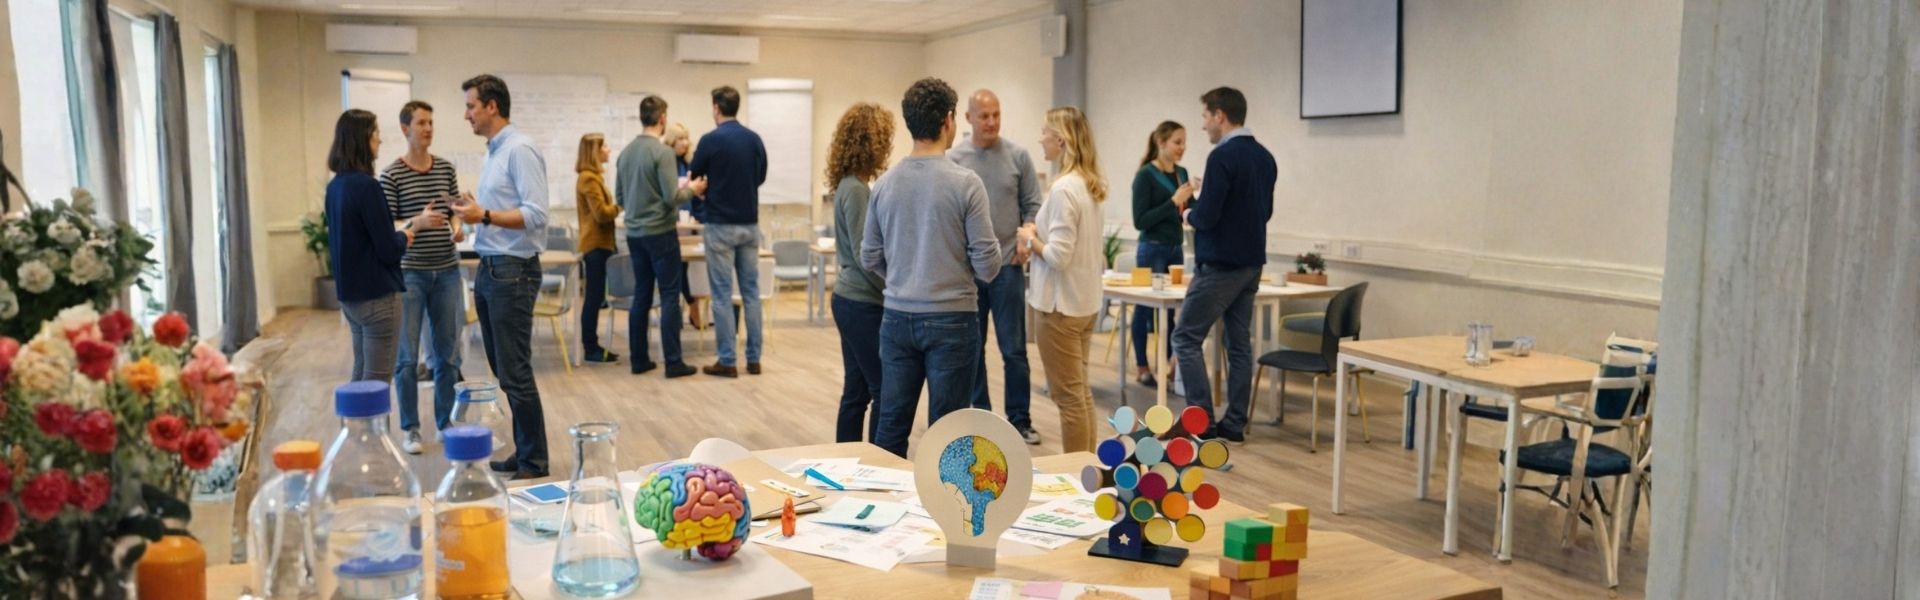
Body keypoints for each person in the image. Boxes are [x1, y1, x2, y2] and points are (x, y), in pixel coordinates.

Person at [862, 78, 1001, 458]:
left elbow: (869, 255)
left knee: (891, 425)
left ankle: (881, 508)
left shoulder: (885, 184)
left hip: (896, 317)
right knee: (948, 431)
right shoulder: (966, 184)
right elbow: (988, 265)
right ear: (949, 120)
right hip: (953, 319)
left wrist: (905, 278)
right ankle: (942, 514)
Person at [449, 74, 552, 479]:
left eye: (471, 106)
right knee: (503, 370)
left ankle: (534, 461)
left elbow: (536, 215)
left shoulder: (519, 149)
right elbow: (498, 215)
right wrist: (475, 215)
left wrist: (485, 215)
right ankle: (526, 450)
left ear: (492, 106)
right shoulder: (493, 152)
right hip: (491, 268)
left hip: (514, 272)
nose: (466, 114)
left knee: (515, 370)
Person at [1172, 87, 1276, 444]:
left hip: (1220, 264)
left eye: (1205, 117)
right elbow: (1266, 212)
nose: (1203, 126)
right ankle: (1234, 424)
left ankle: (1200, 425)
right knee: (1239, 344)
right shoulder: (1265, 157)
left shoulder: (1221, 157)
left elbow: (1208, 216)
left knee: (1185, 338)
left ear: (1219, 115)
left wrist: (1186, 210)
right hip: (1251, 263)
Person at [947, 89, 1042, 445]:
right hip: (969, 272)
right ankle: (982, 419)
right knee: (973, 348)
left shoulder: (1018, 156)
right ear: (968, 118)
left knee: (1014, 349)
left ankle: (1020, 419)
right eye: (984, 116)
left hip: (1008, 268)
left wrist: (1026, 234)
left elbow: (1033, 204)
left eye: (996, 115)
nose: (991, 122)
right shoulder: (954, 159)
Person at [327, 109, 445, 388]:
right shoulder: (368, 187)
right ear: (363, 139)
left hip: (351, 297)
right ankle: (371, 432)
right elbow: (388, 249)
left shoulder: (336, 186)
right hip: (377, 298)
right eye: (376, 133)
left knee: (361, 374)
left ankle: (355, 431)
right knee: (377, 385)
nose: (380, 140)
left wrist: (406, 229)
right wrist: (410, 232)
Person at [380, 100, 464, 455]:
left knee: (447, 356)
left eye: (431, 122)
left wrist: (457, 228)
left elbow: (455, 212)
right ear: (405, 129)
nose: (428, 129)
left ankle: (445, 422)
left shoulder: (445, 169)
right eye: (421, 123)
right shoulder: (392, 175)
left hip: (446, 271)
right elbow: (386, 229)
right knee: (406, 358)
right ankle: (411, 428)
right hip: (410, 274)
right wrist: (416, 222)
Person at [1022, 106, 1107, 454]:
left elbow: (1058, 255)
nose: (1041, 138)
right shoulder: (1091, 186)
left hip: (1060, 308)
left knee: (1068, 398)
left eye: (1045, 132)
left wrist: (1029, 239)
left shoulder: (1063, 189)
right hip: (1084, 304)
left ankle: (1077, 480)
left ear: (1060, 139)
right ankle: (1088, 473)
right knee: (1080, 393)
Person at [688, 86, 769, 378]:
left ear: (715, 108)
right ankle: (754, 359)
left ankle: (727, 360)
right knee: (751, 293)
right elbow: (760, 176)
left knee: (721, 294)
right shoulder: (754, 140)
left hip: (720, 224)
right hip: (749, 223)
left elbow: (694, 177)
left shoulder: (710, 140)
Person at [826, 102, 895, 443]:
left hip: (851, 301)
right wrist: (895, 288)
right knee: (883, 387)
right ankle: (877, 462)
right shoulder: (855, 190)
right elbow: (864, 254)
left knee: (857, 390)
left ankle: (848, 462)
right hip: (859, 303)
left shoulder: (852, 186)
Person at [616, 96, 697, 378]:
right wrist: (694, 189)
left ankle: (640, 360)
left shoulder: (625, 153)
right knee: (670, 295)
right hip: (661, 233)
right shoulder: (661, 153)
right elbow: (672, 197)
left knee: (641, 294)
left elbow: (620, 197)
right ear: (662, 118)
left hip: (634, 234)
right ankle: (673, 362)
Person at [1130, 121, 1192, 388]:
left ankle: (1169, 365)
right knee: (1144, 310)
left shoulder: (1182, 173)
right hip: (1150, 249)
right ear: (1161, 142)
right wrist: (1173, 202)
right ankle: (1142, 366)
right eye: (1177, 142)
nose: (1182, 148)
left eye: (1183, 142)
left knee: (1170, 313)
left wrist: (1195, 195)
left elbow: (1188, 209)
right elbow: (1140, 220)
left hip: (1175, 249)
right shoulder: (1145, 175)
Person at [575, 133, 621, 364]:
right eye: (604, 146)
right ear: (594, 151)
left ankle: (592, 345)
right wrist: (620, 204)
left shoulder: (593, 178)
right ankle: (590, 347)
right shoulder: (588, 179)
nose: (608, 150)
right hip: (595, 245)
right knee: (593, 298)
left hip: (600, 244)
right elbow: (601, 214)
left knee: (595, 296)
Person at [664, 122, 701, 328]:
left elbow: (694, 195)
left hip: (688, 223)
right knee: (674, 268)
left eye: (686, 138)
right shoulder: (666, 163)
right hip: (671, 224)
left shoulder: (688, 164)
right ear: (671, 141)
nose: (685, 143)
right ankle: (689, 307)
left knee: (687, 267)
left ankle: (691, 306)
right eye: (680, 139)